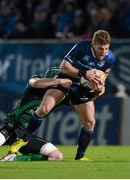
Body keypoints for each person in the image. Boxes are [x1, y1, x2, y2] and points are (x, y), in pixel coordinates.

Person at [23, 30, 115, 161]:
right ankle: (21, 140)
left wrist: (100, 88)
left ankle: (80, 157)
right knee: (44, 109)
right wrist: (84, 73)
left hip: (82, 88)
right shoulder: (81, 47)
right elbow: (63, 68)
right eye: (101, 48)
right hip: (65, 81)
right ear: (93, 44)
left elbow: (102, 78)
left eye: (107, 48)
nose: (104, 52)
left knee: (90, 122)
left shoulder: (110, 58)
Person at [0, 67, 72, 161]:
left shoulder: (57, 97)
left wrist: (92, 91)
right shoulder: (36, 82)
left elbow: (80, 101)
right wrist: (59, 81)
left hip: (24, 136)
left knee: (57, 156)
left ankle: (14, 158)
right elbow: (35, 82)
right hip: (11, 126)